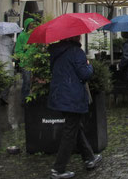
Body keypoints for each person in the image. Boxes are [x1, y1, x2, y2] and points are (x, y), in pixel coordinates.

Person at [48, 35, 101, 179]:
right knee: (70, 132)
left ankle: (89, 157)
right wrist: (89, 65)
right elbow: (85, 74)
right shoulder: (76, 52)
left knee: (75, 127)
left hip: (59, 95)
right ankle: (58, 169)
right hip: (72, 96)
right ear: (75, 38)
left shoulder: (56, 51)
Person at [15, 18, 36, 104]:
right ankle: (24, 99)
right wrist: (25, 57)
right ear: (27, 26)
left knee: (35, 82)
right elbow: (18, 50)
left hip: (35, 62)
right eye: (31, 25)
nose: (32, 26)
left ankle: (32, 98)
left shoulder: (35, 34)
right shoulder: (22, 36)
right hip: (26, 63)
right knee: (27, 82)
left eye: (33, 25)